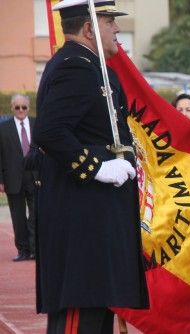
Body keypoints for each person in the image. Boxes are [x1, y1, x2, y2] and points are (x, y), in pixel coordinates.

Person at [33, 1, 149, 332]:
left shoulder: (94, 67)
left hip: (96, 217)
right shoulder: (75, 67)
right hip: (80, 217)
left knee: (97, 312)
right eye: (109, 22)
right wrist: (98, 168)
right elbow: (50, 132)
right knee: (80, 314)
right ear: (89, 28)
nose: (116, 29)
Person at [0, 94, 37, 261]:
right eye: (17, 107)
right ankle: (23, 250)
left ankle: (35, 249)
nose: (21, 110)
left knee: (36, 213)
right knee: (18, 216)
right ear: (12, 108)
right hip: (12, 178)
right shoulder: (3, 128)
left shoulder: (37, 125)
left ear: (28, 108)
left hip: (35, 176)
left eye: (24, 107)